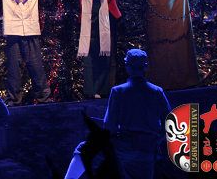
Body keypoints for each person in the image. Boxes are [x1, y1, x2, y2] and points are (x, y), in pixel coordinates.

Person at [64, 48, 171, 179]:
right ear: (145, 66)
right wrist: (155, 141)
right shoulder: (157, 92)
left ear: (127, 66)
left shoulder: (118, 91)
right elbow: (170, 124)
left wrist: (115, 140)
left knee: (84, 149)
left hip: (125, 144)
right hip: (148, 148)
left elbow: (109, 125)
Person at [56, 0, 131, 98]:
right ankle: (92, 90)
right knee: (90, 60)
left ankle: (105, 90)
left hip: (106, 27)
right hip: (89, 28)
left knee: (106, 59)